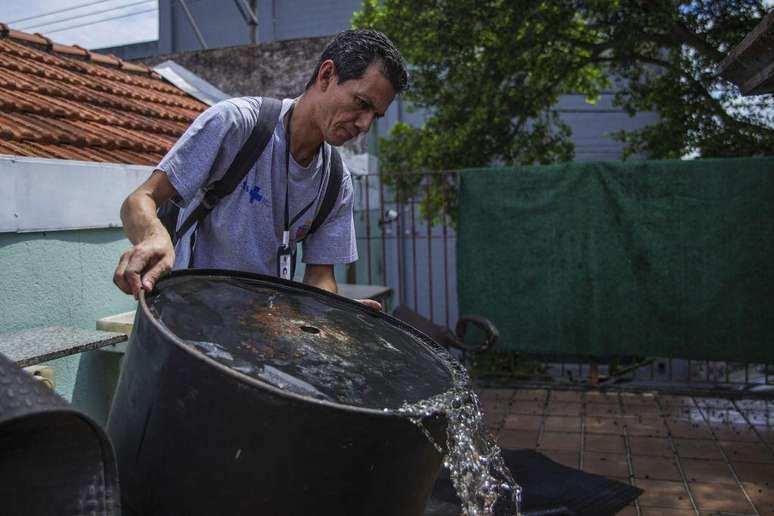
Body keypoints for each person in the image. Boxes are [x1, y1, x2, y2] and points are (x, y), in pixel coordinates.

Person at [113, 29, 407, 309]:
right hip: (187, 321)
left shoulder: (336, 180)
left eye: (375, 116)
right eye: (361, 103)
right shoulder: (237, 124)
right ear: (327, 74)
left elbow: (320, 274)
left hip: (260, 339)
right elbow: (139, 200)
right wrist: (154, 236)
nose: (365, 124)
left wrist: (331, 311)